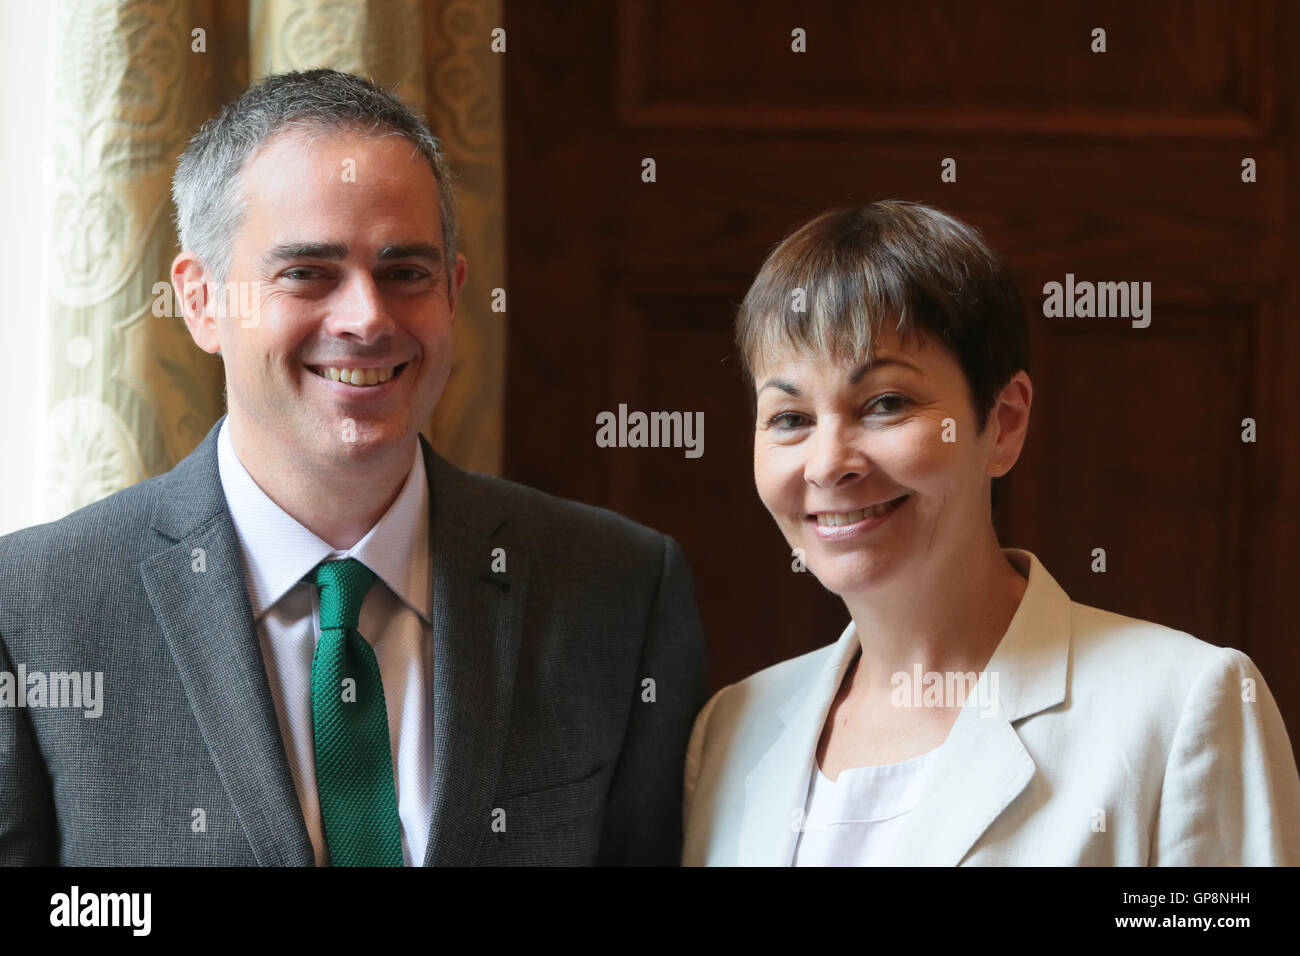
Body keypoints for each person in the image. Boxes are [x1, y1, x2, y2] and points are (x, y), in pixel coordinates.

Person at [0, 69, 707, 866]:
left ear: (454, 292)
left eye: (406, 272)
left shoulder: (619, 590)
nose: (368, 317)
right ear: (202, 302)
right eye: (308, 273)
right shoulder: (31, 610)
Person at [681, 200, 1300, 865]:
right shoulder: (731, 729)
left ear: (1002, 422)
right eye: (789, 417)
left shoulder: (1182, 707)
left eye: (886, 403)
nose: (830, 463)